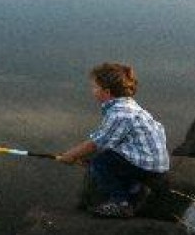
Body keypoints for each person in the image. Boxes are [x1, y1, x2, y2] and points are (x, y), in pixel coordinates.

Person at [57, 62, 170, 218]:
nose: (92, 91)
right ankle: (135, 190)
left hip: (147, 166)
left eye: (94, 87)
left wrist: (70, 155)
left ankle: (121, 204)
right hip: (155, 163)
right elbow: (111, 139)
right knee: (103, 158)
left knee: (100, 163)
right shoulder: (129, 105)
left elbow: (96, 143)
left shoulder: (119, 114)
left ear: (107, 92)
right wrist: (83, 156)